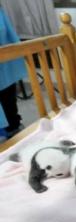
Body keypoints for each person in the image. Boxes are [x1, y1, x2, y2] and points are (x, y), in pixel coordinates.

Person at [0, 7, 26, 138]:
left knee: (8, 96)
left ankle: (13, 126)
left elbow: (8, 32)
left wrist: (19, 50)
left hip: (5, 63)